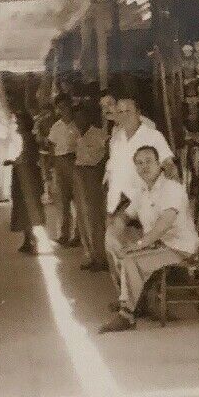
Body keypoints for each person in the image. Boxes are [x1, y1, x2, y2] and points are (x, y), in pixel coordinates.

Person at [99, 145, 199, 333]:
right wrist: (115, 230)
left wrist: (139, 245)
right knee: (119, 247)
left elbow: (164, 223)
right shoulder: (143, 192)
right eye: (139, 163)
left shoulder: (172, 188)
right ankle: (135, 300)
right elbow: (126, 215)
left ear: (158, 164)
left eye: (148, 162)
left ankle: (127, 315)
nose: (144, 167)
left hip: (179, 247)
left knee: (131, 259)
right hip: (159, 245)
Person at [104, 96, 176, 270]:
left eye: (128, 111)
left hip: (143, 201)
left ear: (138, 113)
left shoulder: (152, 135)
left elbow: (170, 168)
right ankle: (128, 292)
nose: (124, 115)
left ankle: (137, 291)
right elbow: (113, 171)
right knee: (115, 248)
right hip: (116, 202)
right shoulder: (116, 138)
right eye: (120, 112)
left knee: (141, 252)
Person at [72, 101, 109, 272]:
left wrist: (97, 171)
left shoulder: (98, 134)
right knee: (83, 217)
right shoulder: (78, 135)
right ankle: (92, 255)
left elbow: (105, 155)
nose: (78, 121)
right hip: (80, 174)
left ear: (87, 117)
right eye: (75, 118)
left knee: (95, 218)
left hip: (93, 176)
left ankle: (101, 258)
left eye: (81, 117)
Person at [46, 94, 81, 249]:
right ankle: (64, 234)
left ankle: (78, 235)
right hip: (60, 164)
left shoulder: (78, 125)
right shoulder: (56, 126)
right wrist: (51, 167)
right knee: (63, 202)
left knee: (79, 202)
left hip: (75, 163)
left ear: (70, 106)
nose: (63, 110)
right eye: (60, 108)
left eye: (65, 106)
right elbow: (52, 148)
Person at [8, 110, 46, 254]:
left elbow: (28, 158)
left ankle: (32, 240)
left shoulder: (28, 138)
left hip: (27, 177)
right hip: (24, 175)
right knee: (22, 207)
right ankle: (27, 239)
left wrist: (14, 161)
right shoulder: (24, 137)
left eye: (19, 122)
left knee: (27, 208)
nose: (17, 124)